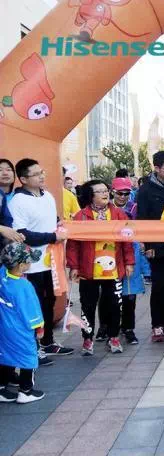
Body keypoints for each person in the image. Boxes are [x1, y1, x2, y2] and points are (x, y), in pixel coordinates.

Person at [10, 159, 73, 364]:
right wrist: (52, 237)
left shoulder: (48, 196)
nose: (42, 176)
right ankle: (33, 347)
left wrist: (60, 229)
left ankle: (47, 341)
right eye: (36, 174)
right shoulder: (18, 201)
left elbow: (53, 221)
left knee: (49, 301)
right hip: (30, 264)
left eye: (42, 172)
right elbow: (22, 234)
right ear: (23, 179)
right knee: (33, 304)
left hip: (51, 261)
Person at [67, 180, 135, 355]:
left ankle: (113, 337)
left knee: (114, 305)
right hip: (88, 270)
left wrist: (129, 262)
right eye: (99, 191)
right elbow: (73, 244)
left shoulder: (119, 214)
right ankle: (87, 339)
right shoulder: (81, 216)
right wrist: (74, 266)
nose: (105, 194)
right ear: (90, 195)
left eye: (106, 190)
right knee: (87, 306)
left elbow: (127, 240)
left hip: (113, 269)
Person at [136, 151, 164, 343]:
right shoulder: (146, 190)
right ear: (157, 168)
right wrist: (149, 244)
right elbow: (142, 219)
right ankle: (157, 324)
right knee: (159, 286)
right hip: (157, 245)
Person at [0, 243, 46, 403]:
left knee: (6, 355)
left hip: (4, 327)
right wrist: (39, 328)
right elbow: (32, 311)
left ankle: (1, 388)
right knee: (29, 357)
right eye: (28, 261)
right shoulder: (24, 286)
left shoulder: (2, 275)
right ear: (21, 266)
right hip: (21, 329)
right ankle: (26, 391)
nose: (30, 263)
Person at [111, 177, 143, 345]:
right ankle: (107, 327)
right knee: (110, 293)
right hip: (110, 253)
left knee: (130, 293)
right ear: (113, 192)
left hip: (131, 252)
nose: (123, 196)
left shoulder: (134, 208)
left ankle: (128, 328)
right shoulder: (106, 209)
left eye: (126, 193)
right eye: (120, 193)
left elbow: (142, 230)